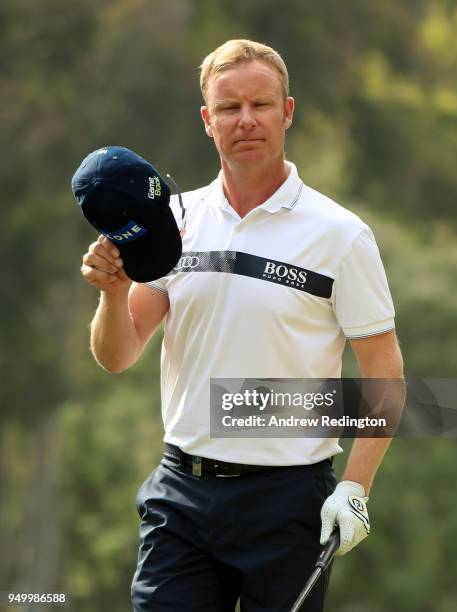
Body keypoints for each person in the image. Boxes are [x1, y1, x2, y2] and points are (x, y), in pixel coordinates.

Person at [80, 39, 404, 612]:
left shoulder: (341, 235)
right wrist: (112, 292)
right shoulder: (175, 224)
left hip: (288, 499)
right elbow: (118, 354)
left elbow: (385, 373)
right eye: (229, 108)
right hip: (180, 492)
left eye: (261, 104)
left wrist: (353, 486)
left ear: (288, 112)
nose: (246, 120)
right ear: (208, 121)